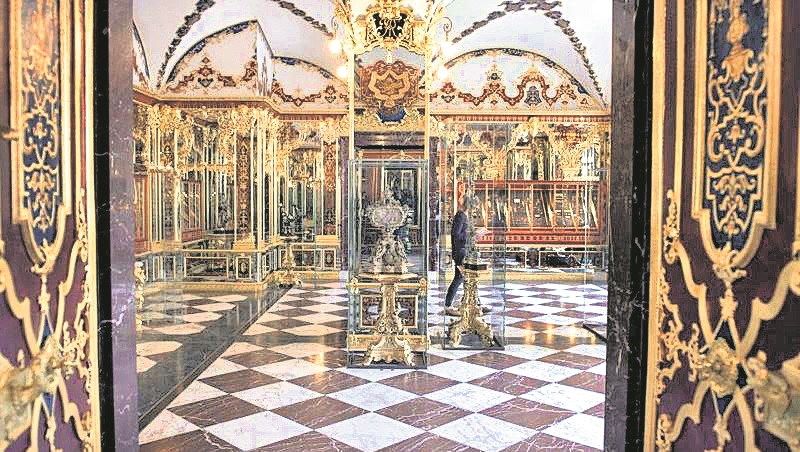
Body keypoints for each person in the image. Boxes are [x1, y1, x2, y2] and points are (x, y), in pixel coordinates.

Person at [444, 193, 468, 316]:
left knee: (468, 278)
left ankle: (475, 303)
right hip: (460, 251)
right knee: (459, 278)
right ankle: (448, 306)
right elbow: (456, 234)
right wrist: (470, 234)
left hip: (462, 250)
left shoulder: (463, 215)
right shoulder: (460, 215)